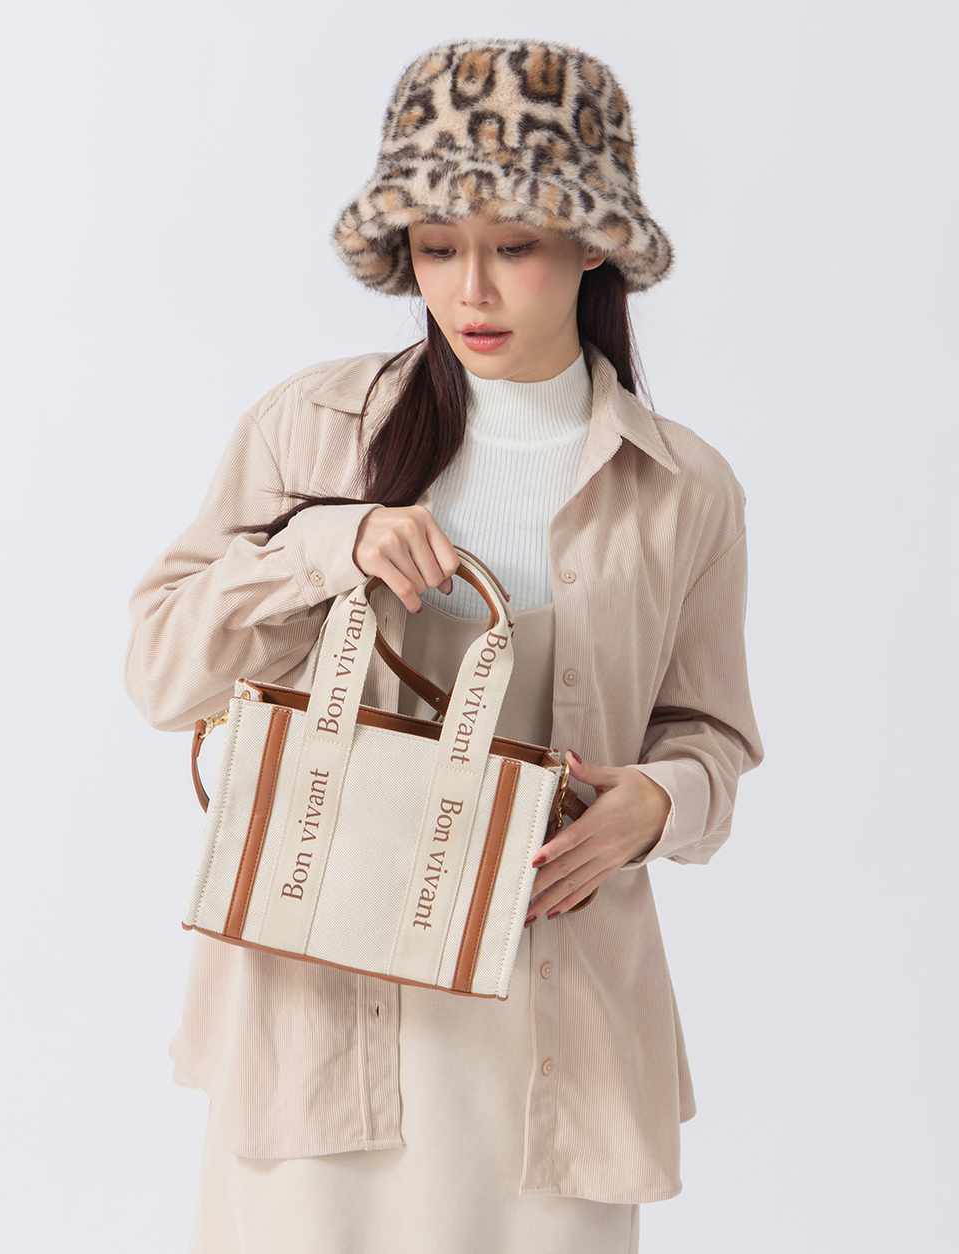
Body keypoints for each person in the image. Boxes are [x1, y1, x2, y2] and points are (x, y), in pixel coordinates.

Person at [125, 38, 764, 1254]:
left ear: (592, 244)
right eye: (434, 248)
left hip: (552, 1016)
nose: (470, 291)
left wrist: (658, 803)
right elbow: (162, 670)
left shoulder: (684, 489)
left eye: (513, 246)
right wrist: (330, 545)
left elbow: (711, 738)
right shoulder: (311, 428)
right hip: (321, 1005)